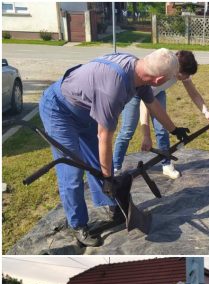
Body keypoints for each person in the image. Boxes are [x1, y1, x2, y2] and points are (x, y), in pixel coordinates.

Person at [39, 48, 191, 247]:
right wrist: (108, 178)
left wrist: (174, 129)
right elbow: (105, 137)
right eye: (170, 79)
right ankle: (78, 225)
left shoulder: (140, 71)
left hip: (86, 109)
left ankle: (112, 206)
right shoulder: (113, 88)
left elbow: (152, 104)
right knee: (73, 170)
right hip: (60, 110)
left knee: (98, 162)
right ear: (159, 80)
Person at [113, 50, 209, 179]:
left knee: (162, 129)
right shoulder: (161, 72)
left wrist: (206, 112)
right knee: (127, 132)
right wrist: (146, 135)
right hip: (136, 93)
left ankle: (166, 164)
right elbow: (145, 103)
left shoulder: (181, 69)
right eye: (184, 75)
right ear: (176, 69)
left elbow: (194, 93)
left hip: (158, 93)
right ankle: (115, 168)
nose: (186, 78)